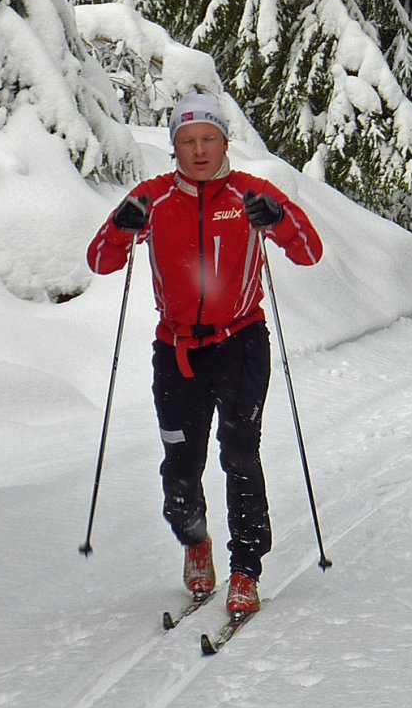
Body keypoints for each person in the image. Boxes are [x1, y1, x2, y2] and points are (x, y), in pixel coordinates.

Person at [87, 92, 323, 616]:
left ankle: (245, 569)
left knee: (240, 455)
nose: (199, 150)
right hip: (176, 352)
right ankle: (195, 542)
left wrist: (278, 219)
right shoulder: (152, 199)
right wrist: (122, 227)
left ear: (224, 141)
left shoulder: (250, 194)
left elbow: (309, 251)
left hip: (240, 344)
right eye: (187, 141)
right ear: (173, 148)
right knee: (181, 463)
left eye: (208, 139)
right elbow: (101, 261)